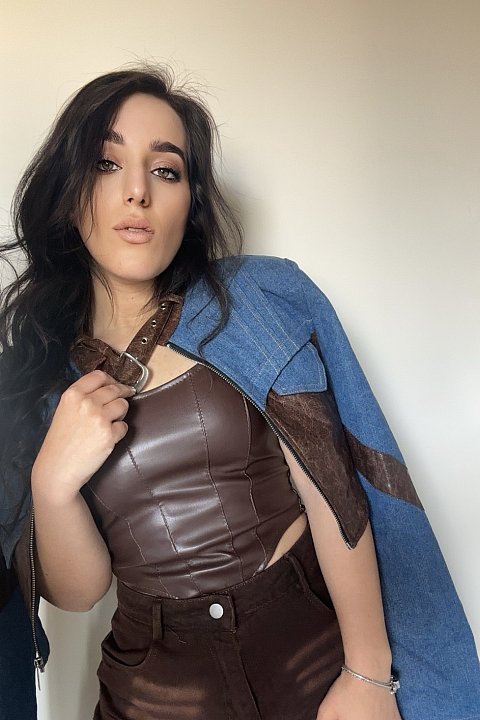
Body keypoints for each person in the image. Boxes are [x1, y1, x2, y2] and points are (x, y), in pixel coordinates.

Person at [0, 67, 478, 720]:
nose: (137, 191)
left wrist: (369, 673)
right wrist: (52, 484)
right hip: (154, 690)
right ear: (68, 191)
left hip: (311, 657)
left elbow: (333, 492)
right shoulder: (38, 374)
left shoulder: (256, 301)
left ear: (190, 201)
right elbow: (80, 594)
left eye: (165, 170)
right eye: (107, 164)